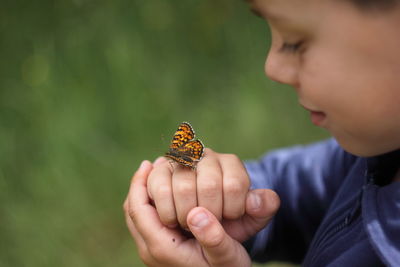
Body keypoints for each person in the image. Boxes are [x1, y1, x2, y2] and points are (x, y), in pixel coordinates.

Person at [123, 0, 400, 266]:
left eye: (293, 41)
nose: (273, 67)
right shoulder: (377, 154)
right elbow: (291, 189)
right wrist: (216, 194)